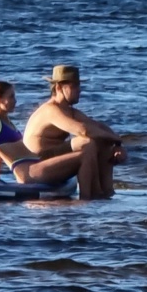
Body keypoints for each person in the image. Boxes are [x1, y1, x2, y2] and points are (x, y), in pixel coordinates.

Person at [23, 64, 128, 199]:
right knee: (87, 142)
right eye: (74, 86)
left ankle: (106, 192)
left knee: (103, 142)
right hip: (36, 166)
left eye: (79, 86)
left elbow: (98, 126)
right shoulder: (51, 110)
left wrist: (117, 145)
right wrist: (115, 139)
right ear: (59, 87)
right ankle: (89, 197)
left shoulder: (70, 111)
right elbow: (82, 130)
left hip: (53, 158)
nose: (79, 90)